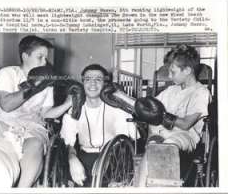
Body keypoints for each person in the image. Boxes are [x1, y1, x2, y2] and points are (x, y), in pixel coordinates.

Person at [0, 35, 73, 187]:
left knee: (35, 144)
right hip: (4, 123)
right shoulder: (8, 73)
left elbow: (46, 113)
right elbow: (6, 105)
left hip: (32, 128)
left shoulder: (47, 81)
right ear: (25, 56)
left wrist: (69, 103)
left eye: (46, 58)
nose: (44, 62)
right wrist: (33, 86)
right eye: (40, 57)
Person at [134, 44, 212, 186]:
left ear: (188, 70)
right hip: (159, 134)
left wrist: (161, 115)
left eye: (173, 72)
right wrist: (121, 99)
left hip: (185, 136)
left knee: (167, 147)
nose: (169, 76)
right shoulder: (170, 91)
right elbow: (149, 107)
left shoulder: (201, 92)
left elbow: (186, 124)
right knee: (150, 151)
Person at [60, 64, 137, 187]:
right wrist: (72, 158)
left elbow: (123, 140)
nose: (92, 84)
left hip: (114, 155)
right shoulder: (75, 109)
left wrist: (105, 158)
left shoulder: (117, 108)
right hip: (84, 155)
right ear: (82, 83)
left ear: (105, 83)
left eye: (98, 79)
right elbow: (68, 141)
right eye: (88, 79)